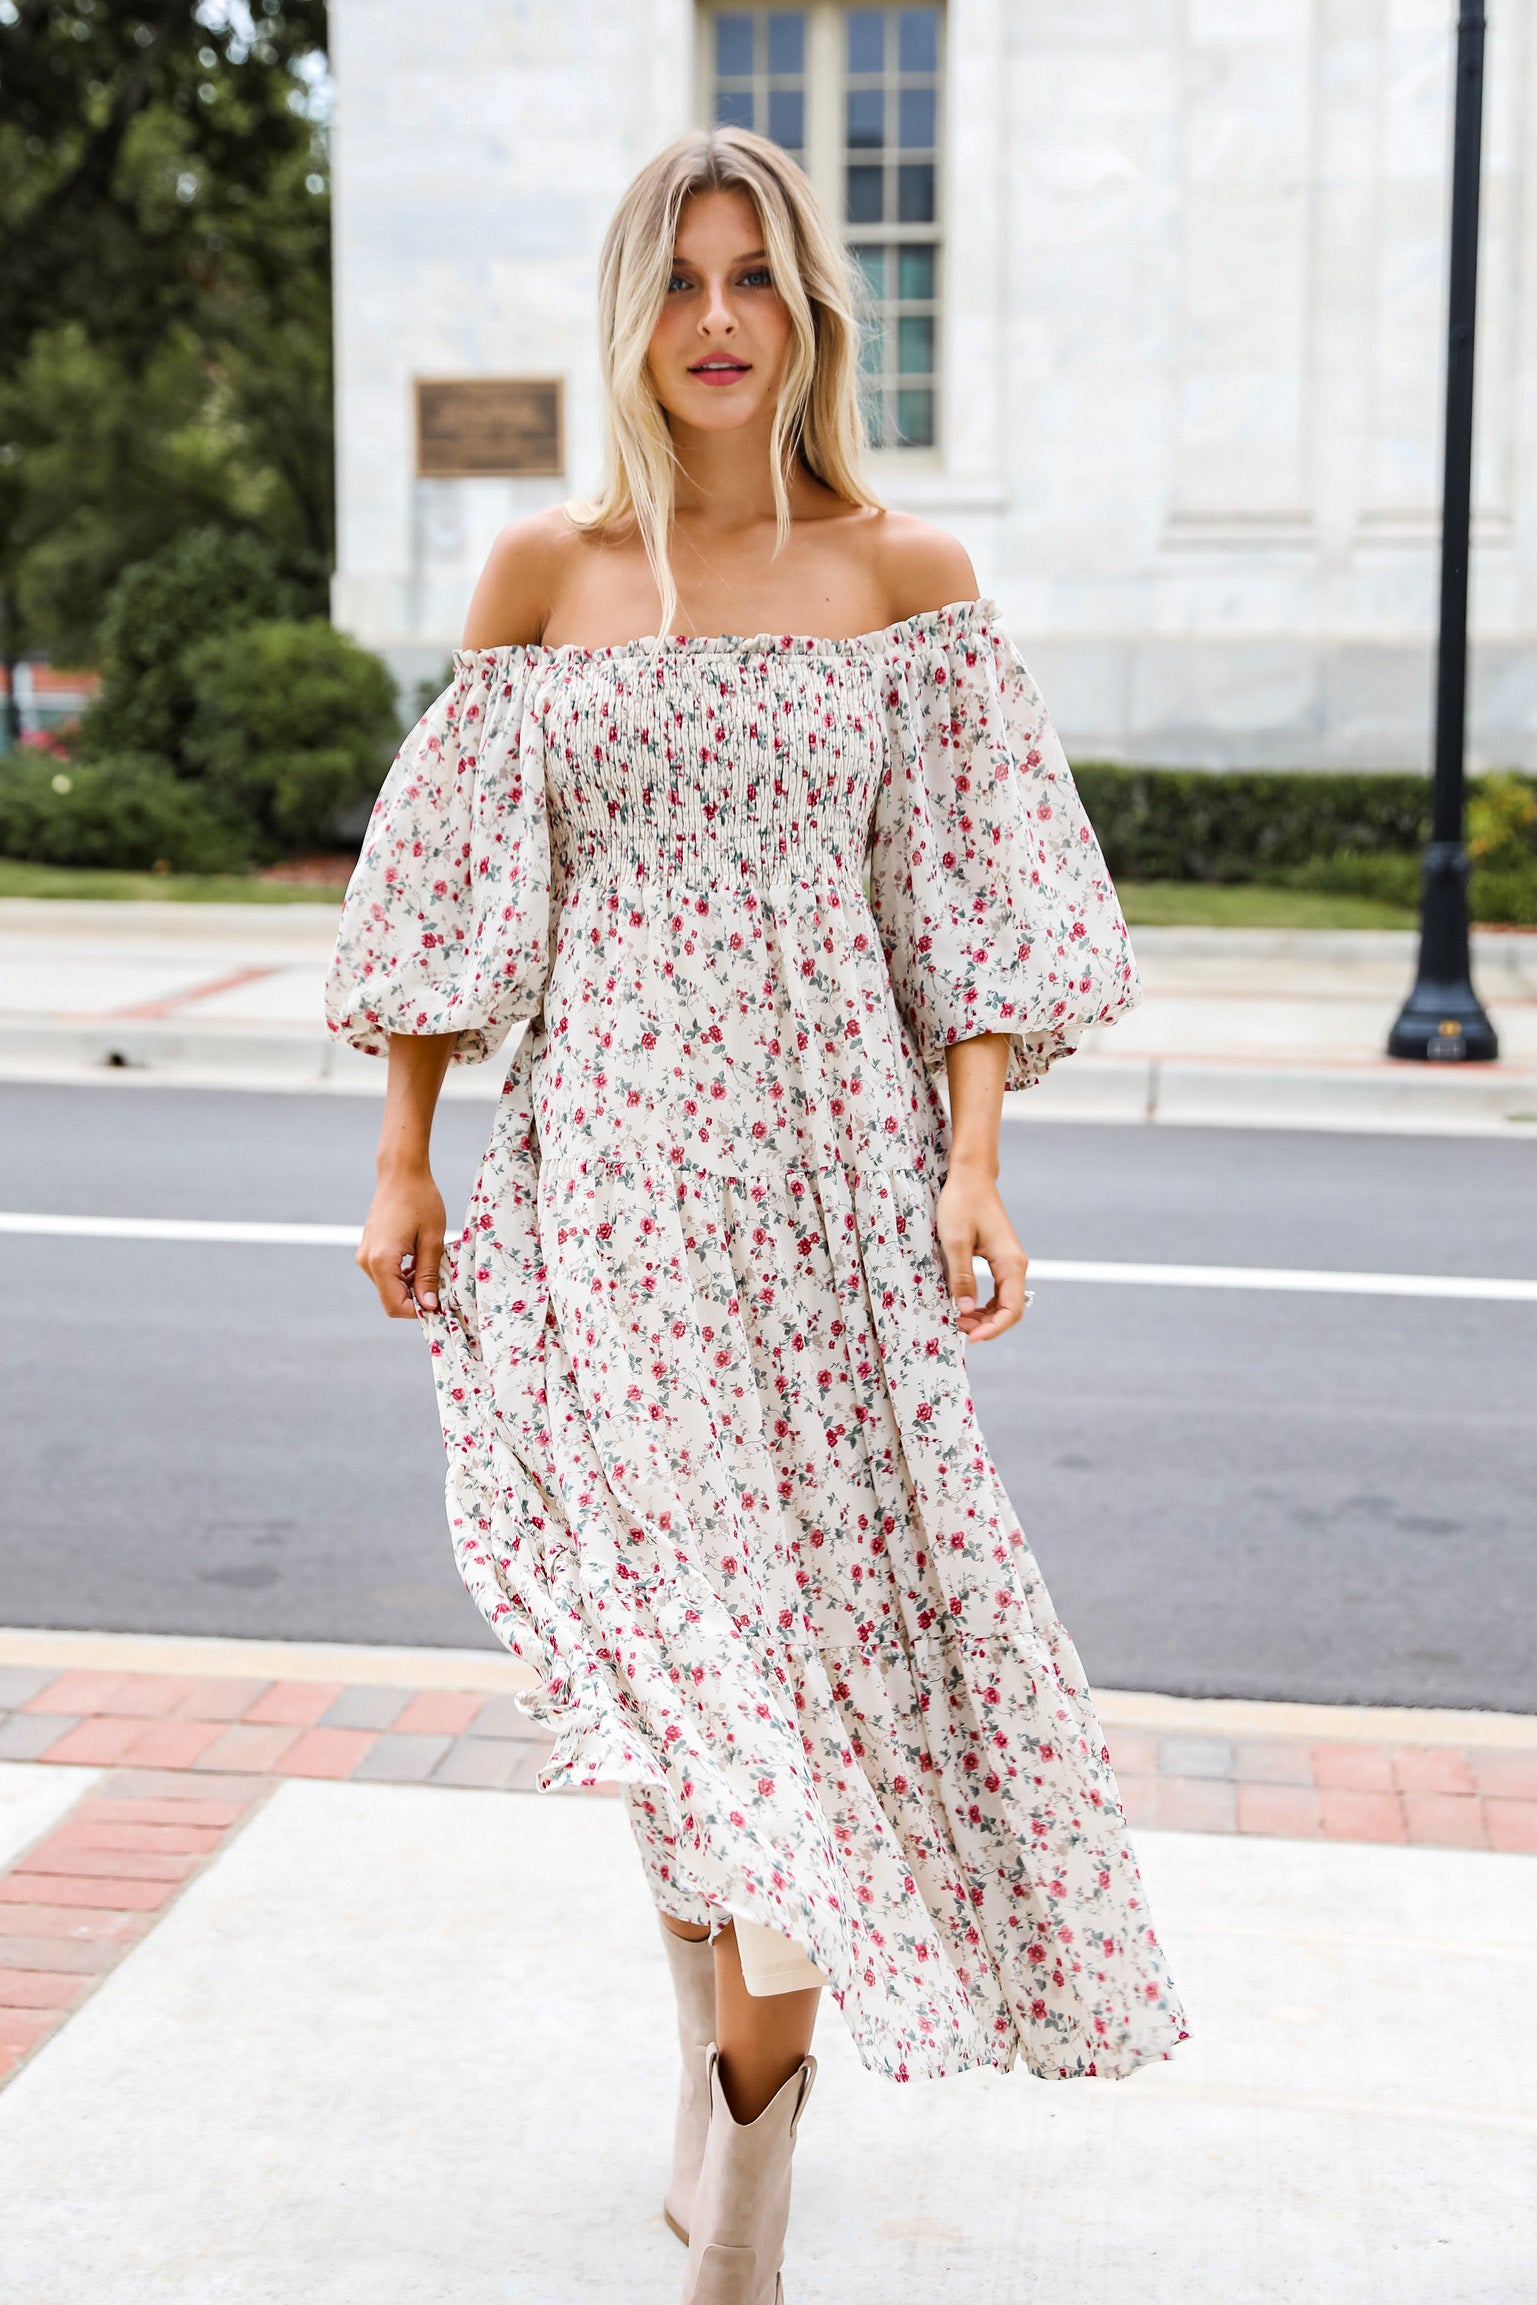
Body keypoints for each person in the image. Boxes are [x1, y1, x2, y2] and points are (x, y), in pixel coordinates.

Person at [327, 125, 1186, 2305]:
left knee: (792, 1700)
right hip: (603, 1198)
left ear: (814, 314)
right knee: (678, 1680)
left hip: (832, 1212)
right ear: (636, 312)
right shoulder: (550, 575)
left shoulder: (910, 581)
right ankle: (732, 2141)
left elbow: (974, 908)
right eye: (683, 280)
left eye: (759, 280)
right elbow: (449, 897)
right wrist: (406, 1145)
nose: (721, 319)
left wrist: (977, 1162)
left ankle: (739, 2202)